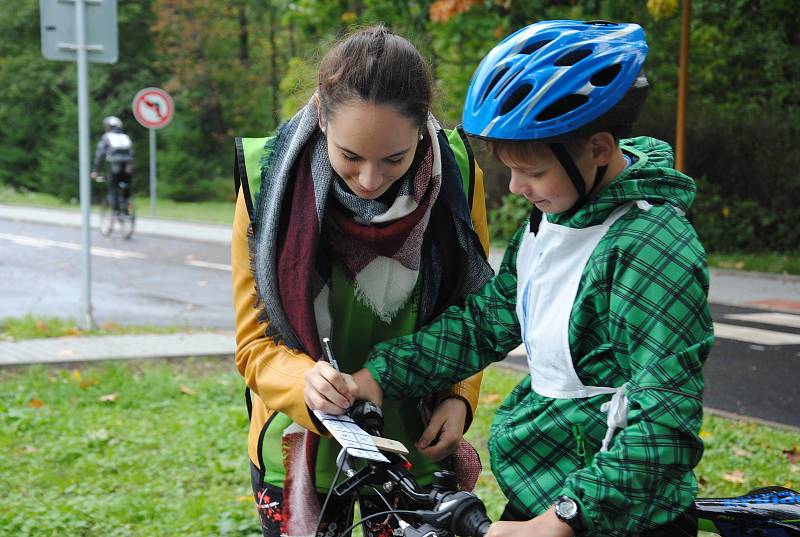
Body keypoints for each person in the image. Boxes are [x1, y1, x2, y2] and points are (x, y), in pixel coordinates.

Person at [337, 20, 714, 536]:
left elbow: (665, 418)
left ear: (599, 149)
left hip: (615, 516)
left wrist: (565, 519)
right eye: (509, 168)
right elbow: (489, 322)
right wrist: (382, 374)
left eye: (532, 172)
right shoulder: (554, 217)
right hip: (541, 495)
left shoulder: (651, 247)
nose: (515, 187)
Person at [231, 25, 495, 537]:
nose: (371, 180)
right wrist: (302, 383)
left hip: (415, 440)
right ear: (323, 119)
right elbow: (253, 345)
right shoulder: (266, 179)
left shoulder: (458, 173)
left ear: (422, 128)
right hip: (300, 440)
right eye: (350, 157)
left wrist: (460, 396)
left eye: (394, 159)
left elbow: (474, 313)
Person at [91, 115, 134, 215]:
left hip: (115, 165)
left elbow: (100, 153)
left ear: (109, 127)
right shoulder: (125, 137)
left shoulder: (107, 137)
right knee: (126, 187)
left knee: (113, 188)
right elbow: (131, 153)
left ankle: (115, 211)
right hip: (128, 166)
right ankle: (127, 209)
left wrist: (96, 170)